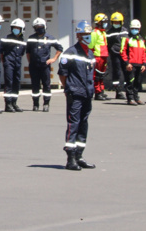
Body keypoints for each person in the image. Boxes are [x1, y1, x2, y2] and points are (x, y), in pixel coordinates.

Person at [59, 20, 96, 171]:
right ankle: (70, 158)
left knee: (83, 123)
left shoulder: (90, 53)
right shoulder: (70, 53)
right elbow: (63, 74)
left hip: (87, 93)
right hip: (75, 93)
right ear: (79, 35)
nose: (88, 36)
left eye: (89, 34)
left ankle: (79, 155)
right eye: (85, 34)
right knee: (73, 123)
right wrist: (68, 88)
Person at [26, 18, 63, 112]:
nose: (39, 28)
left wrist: (54, 59)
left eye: (40, 27)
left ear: (45, 26)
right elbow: (28, 52)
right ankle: (35, 104)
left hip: (45, 66)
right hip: (34, 66)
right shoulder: (31, 38)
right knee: (35, 85)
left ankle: (46, 104)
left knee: (46, 85)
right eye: (36, 27)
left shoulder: (50, 38)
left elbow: (60, 48)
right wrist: (30, 62)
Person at [1, 18, 26, 113]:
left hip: (17, 64)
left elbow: (22, 53)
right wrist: (5, 61)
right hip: (9, 63)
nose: (16, 29)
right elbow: (1, 52)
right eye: (14, 28)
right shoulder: (6, 39)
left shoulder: (22, 40)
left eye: (18, 28)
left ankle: (14, 103)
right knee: (9, 82)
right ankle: (8, 104)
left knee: (16, 82)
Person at [120, 19, 146, 105]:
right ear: (130, 28)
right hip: (130, 64)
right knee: (130, 82)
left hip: (139, 64)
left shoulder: (141, 39)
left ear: (139, 29)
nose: (135, 30)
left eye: (137, 28)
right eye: (133, 28)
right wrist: (127, 63)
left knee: (137, 82)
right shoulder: (126, 38)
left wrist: (144, 64)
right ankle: (130, 98)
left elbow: (144, 53)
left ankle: (136, 97)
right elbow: (122, 51)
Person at [106, 12, 128, 100]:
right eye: (115, 22)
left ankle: (128, 90)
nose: (116, 24)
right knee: (117, 72)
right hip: (115, 55)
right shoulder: (109, 32)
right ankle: (118, 91)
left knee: (127, 72)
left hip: (125, 55)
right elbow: (107, 44)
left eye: (118, 22)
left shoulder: (125, 30)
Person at [90, 13, 110, 100]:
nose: (105, 23)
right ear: (99, 22)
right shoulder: (95, 32)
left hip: (104, 55)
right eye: (104, 21)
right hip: (98, 56)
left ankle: (101, 91)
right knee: (97, 75)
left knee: (102, 75)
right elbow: (91, 46)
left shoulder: (103, 32)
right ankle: (97, 92)